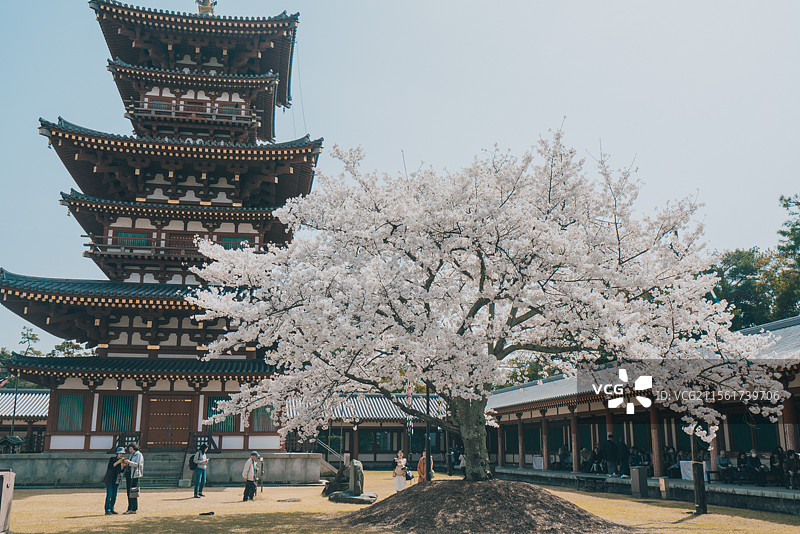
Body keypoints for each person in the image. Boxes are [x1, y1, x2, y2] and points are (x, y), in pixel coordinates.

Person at [104, 446, 126, 515]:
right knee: (109, 494)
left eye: (122, 453)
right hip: (110, 479)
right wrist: (117, 462)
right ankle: (107, 510)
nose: (121, 455)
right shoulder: (112, 459)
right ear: (117, 453)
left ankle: (112, 508)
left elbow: (121, 471)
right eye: (120, 453)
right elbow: (110, 467)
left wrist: (122, 466)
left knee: (114, 495)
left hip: (117, 479)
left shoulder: (123, 460)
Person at [122, 443, 143, 514]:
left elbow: (138, 464)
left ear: (135, 448)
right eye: (129, 449)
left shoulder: (138, 455)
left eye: (131, 449)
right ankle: (130, 507)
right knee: (129, 492)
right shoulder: (131, 455)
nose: (130, 450)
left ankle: (134, 508)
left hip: (134, 475)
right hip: (129, 474)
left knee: (133, 492)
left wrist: (129, 462)